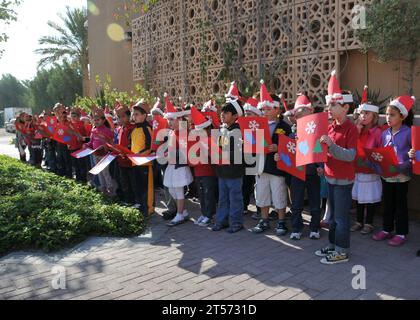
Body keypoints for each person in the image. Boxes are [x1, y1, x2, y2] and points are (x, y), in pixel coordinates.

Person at [316, 70, 358, 265]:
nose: (329, 108)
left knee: (341, 218)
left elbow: (350, 156)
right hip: (330, 177)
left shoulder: (351, 128)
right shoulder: (330, 126)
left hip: (343, 180)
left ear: (346, 107)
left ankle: (342, 251)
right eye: (329, 105)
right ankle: (333, 245)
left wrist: (331, 146)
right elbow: (322, 149)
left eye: (334, 105)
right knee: (332, 217)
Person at [372, 96, 414, 246]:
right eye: (387, 114)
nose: (388, 118)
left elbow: (415, 156)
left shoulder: (409, 132)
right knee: (388, 203)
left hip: (402, 176)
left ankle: (401, 233)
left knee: (400, 204)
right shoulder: (385, 134)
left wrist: (405, 164)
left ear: (402, 116)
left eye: (392, 115)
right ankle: (386, 229)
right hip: (387, 176)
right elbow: (382, 154)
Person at [251, 81, 291, 236]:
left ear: (277, 109)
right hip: (260, 165)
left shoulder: (285, 127)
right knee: (262, 194)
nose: (265, 111)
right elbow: (251, 144)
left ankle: (281, 221)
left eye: (269, 108)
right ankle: (264, 220)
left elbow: (291, 146)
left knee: (279, 194)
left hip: (277, 168)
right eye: (263, 109)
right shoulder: (256, 125)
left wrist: (279, 147)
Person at [281, 94, 323, 240]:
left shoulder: (318, 131)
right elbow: (288, 151)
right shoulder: (293, 134)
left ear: (311, 113)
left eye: (303, 113)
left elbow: (320, 149)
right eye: (297, 115)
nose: (300, 117)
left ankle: (315, 227)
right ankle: (297, 228)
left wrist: (320, 166)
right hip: (297, 174)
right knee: (296, 203)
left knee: (315, 203)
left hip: (313, 173)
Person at [351, 91, 383, 235]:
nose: (364, 116)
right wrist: (356, 131)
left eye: (367, 114)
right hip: (358, 168)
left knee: (369, 198)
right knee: (359, 197)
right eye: (362, 113)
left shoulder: (377, 132)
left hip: (370, 169)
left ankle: (369, 222)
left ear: (374, 117)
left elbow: (379, 151)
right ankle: (358, 221)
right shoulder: (357, 130)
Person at [163, 94, 194, 226]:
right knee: (171, 189)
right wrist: (165, 153)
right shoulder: (172, 132)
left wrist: (172, 155)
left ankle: (180, 214)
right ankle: (183, 211)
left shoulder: (183, 132)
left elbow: (184, 151)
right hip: (171, 165)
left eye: (172, 120)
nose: (169, 122)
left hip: (179, 166)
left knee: (179, 190)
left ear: (179, 119)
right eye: (168, 120)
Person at [129, 101, 155, 217]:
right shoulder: (134, 129)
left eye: (137, 114)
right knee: (137, 187)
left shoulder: (147, 128)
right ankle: (140, 206)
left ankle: (148, 209)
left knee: (146, 188)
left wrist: (138, 155)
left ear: (144, 115)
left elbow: (150, 146)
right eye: (134, 114)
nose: (135, 116)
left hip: (145, 163)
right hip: (135, 163)